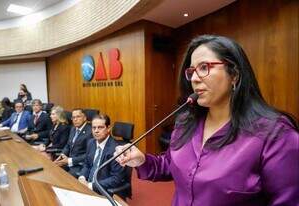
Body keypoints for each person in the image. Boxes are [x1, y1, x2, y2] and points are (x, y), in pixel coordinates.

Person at [115, 35, 299, 206]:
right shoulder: (186, 121)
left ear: (234, 74)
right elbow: (172, 165)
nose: (194, 78)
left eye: (204, 67)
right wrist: (142, 161)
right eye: (192, 71)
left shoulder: (276, 134)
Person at [78, 114, 128, 196]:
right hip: (87, 185)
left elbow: (116, 178)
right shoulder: (91, 143)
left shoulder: (116, 149)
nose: (96, 131)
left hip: (103, 189)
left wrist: (91, 186)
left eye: (100, 127)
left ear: (108, 128)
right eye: (94, 128)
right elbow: (87, 164)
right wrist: (82, 177)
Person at [54, 108, 92, 177]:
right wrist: (62, 155)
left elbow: (89, 154)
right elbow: (68, 145)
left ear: (84, 118)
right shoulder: (73, 128)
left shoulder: (90, 132)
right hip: (69, 161)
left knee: (67, 178)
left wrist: (69, 160)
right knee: (54, 168)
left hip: (80, 164)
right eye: (73, 117)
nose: (75, 119)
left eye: (78, 117)